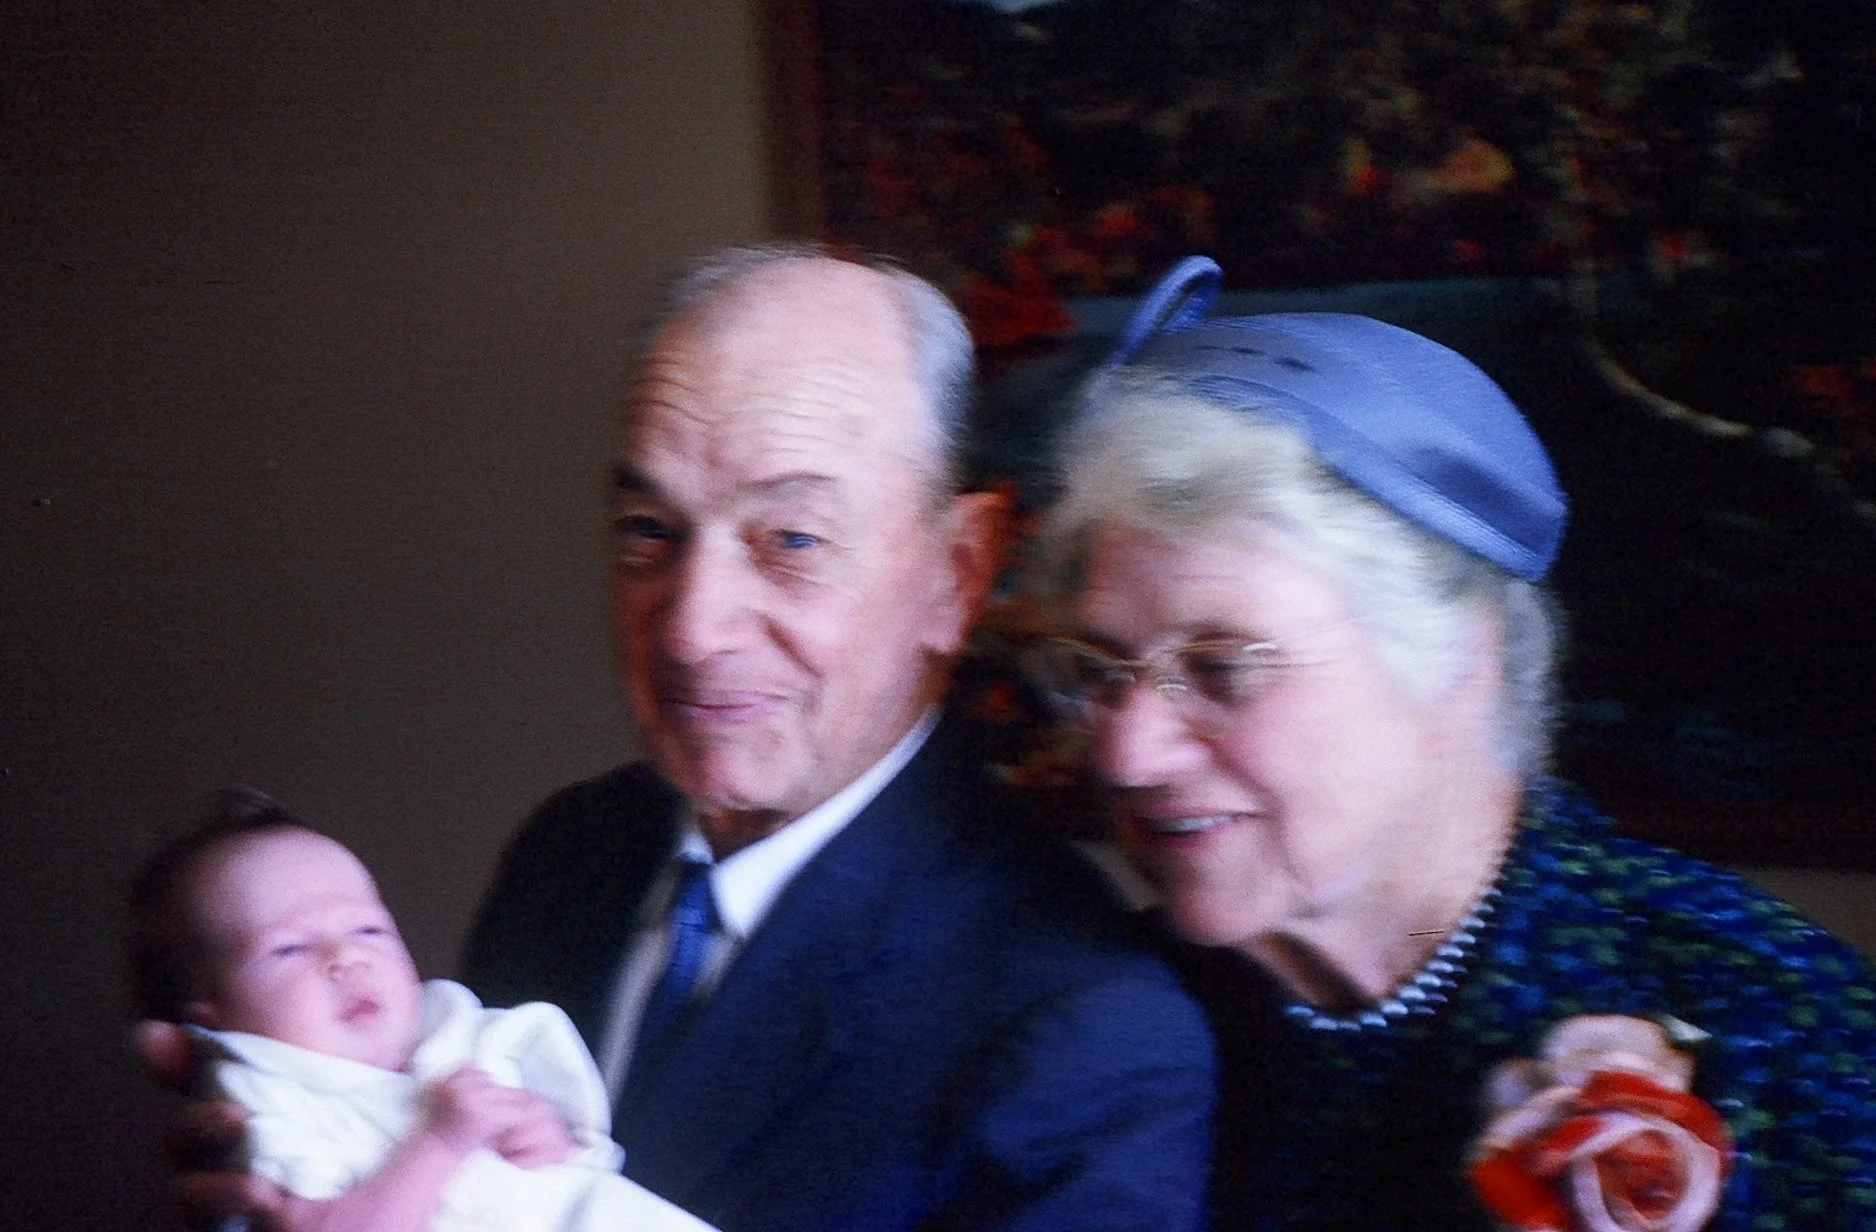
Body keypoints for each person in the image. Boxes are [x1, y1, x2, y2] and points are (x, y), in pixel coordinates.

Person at [147, 245, 1217, 1232]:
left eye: (791, 539)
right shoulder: (571, 853)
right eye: (649, 534)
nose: (693, 631)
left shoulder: (1086, 1028)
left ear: (958, 571)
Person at [1026, 256, 1876, 1230]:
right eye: (1100, 668)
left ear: (1459, 661)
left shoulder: (1780, 1031)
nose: (1125, 754)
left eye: (1221, 667)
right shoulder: (1069, 1014)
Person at [128, 790, 715, 1232]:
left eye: (368, 929)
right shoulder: (270, 1105)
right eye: (290, 948)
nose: (346, 958)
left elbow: (572, 1160)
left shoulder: (461, 1036)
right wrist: (441, 1141)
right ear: (212, 1021)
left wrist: (542, 1136)